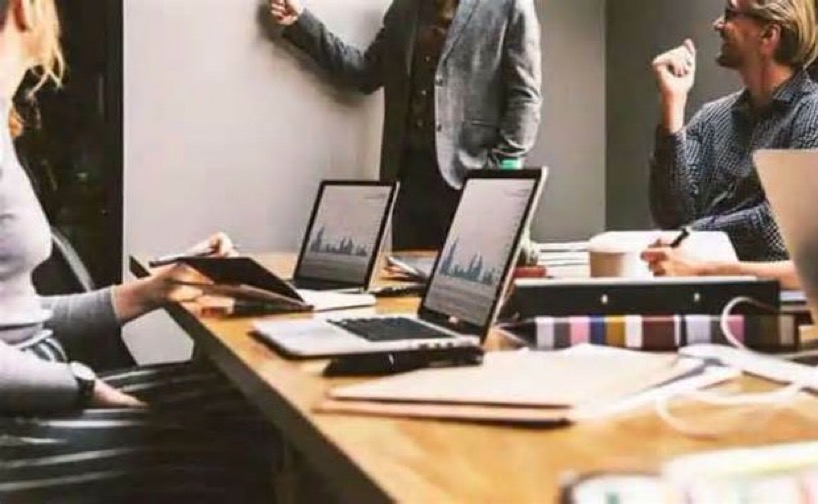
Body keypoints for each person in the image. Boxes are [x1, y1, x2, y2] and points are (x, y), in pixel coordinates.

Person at [0, 0, 277, 500]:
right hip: (16, 431)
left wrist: (154, 290)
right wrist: (80, 385)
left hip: (33, 394)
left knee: (252, 403)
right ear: (26, 9)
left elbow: (15, 319)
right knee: (248, 445)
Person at [643, 0, 818, 290]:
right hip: (704, 294)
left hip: (771, 302)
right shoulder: (712, 117)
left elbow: (779, 231)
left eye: (730, 14)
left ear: (769, 36)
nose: (717, 25)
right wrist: (672, 106)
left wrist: (689, 237)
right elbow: (670, 215)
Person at [267, 0, 542, 250]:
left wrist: (499, 172)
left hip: (471, 180)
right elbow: (363, 73)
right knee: (407, 294)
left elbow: (525, 97)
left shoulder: (510, 5)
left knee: (467, 291)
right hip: (408, 184)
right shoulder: (404, 9)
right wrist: (302, 22)